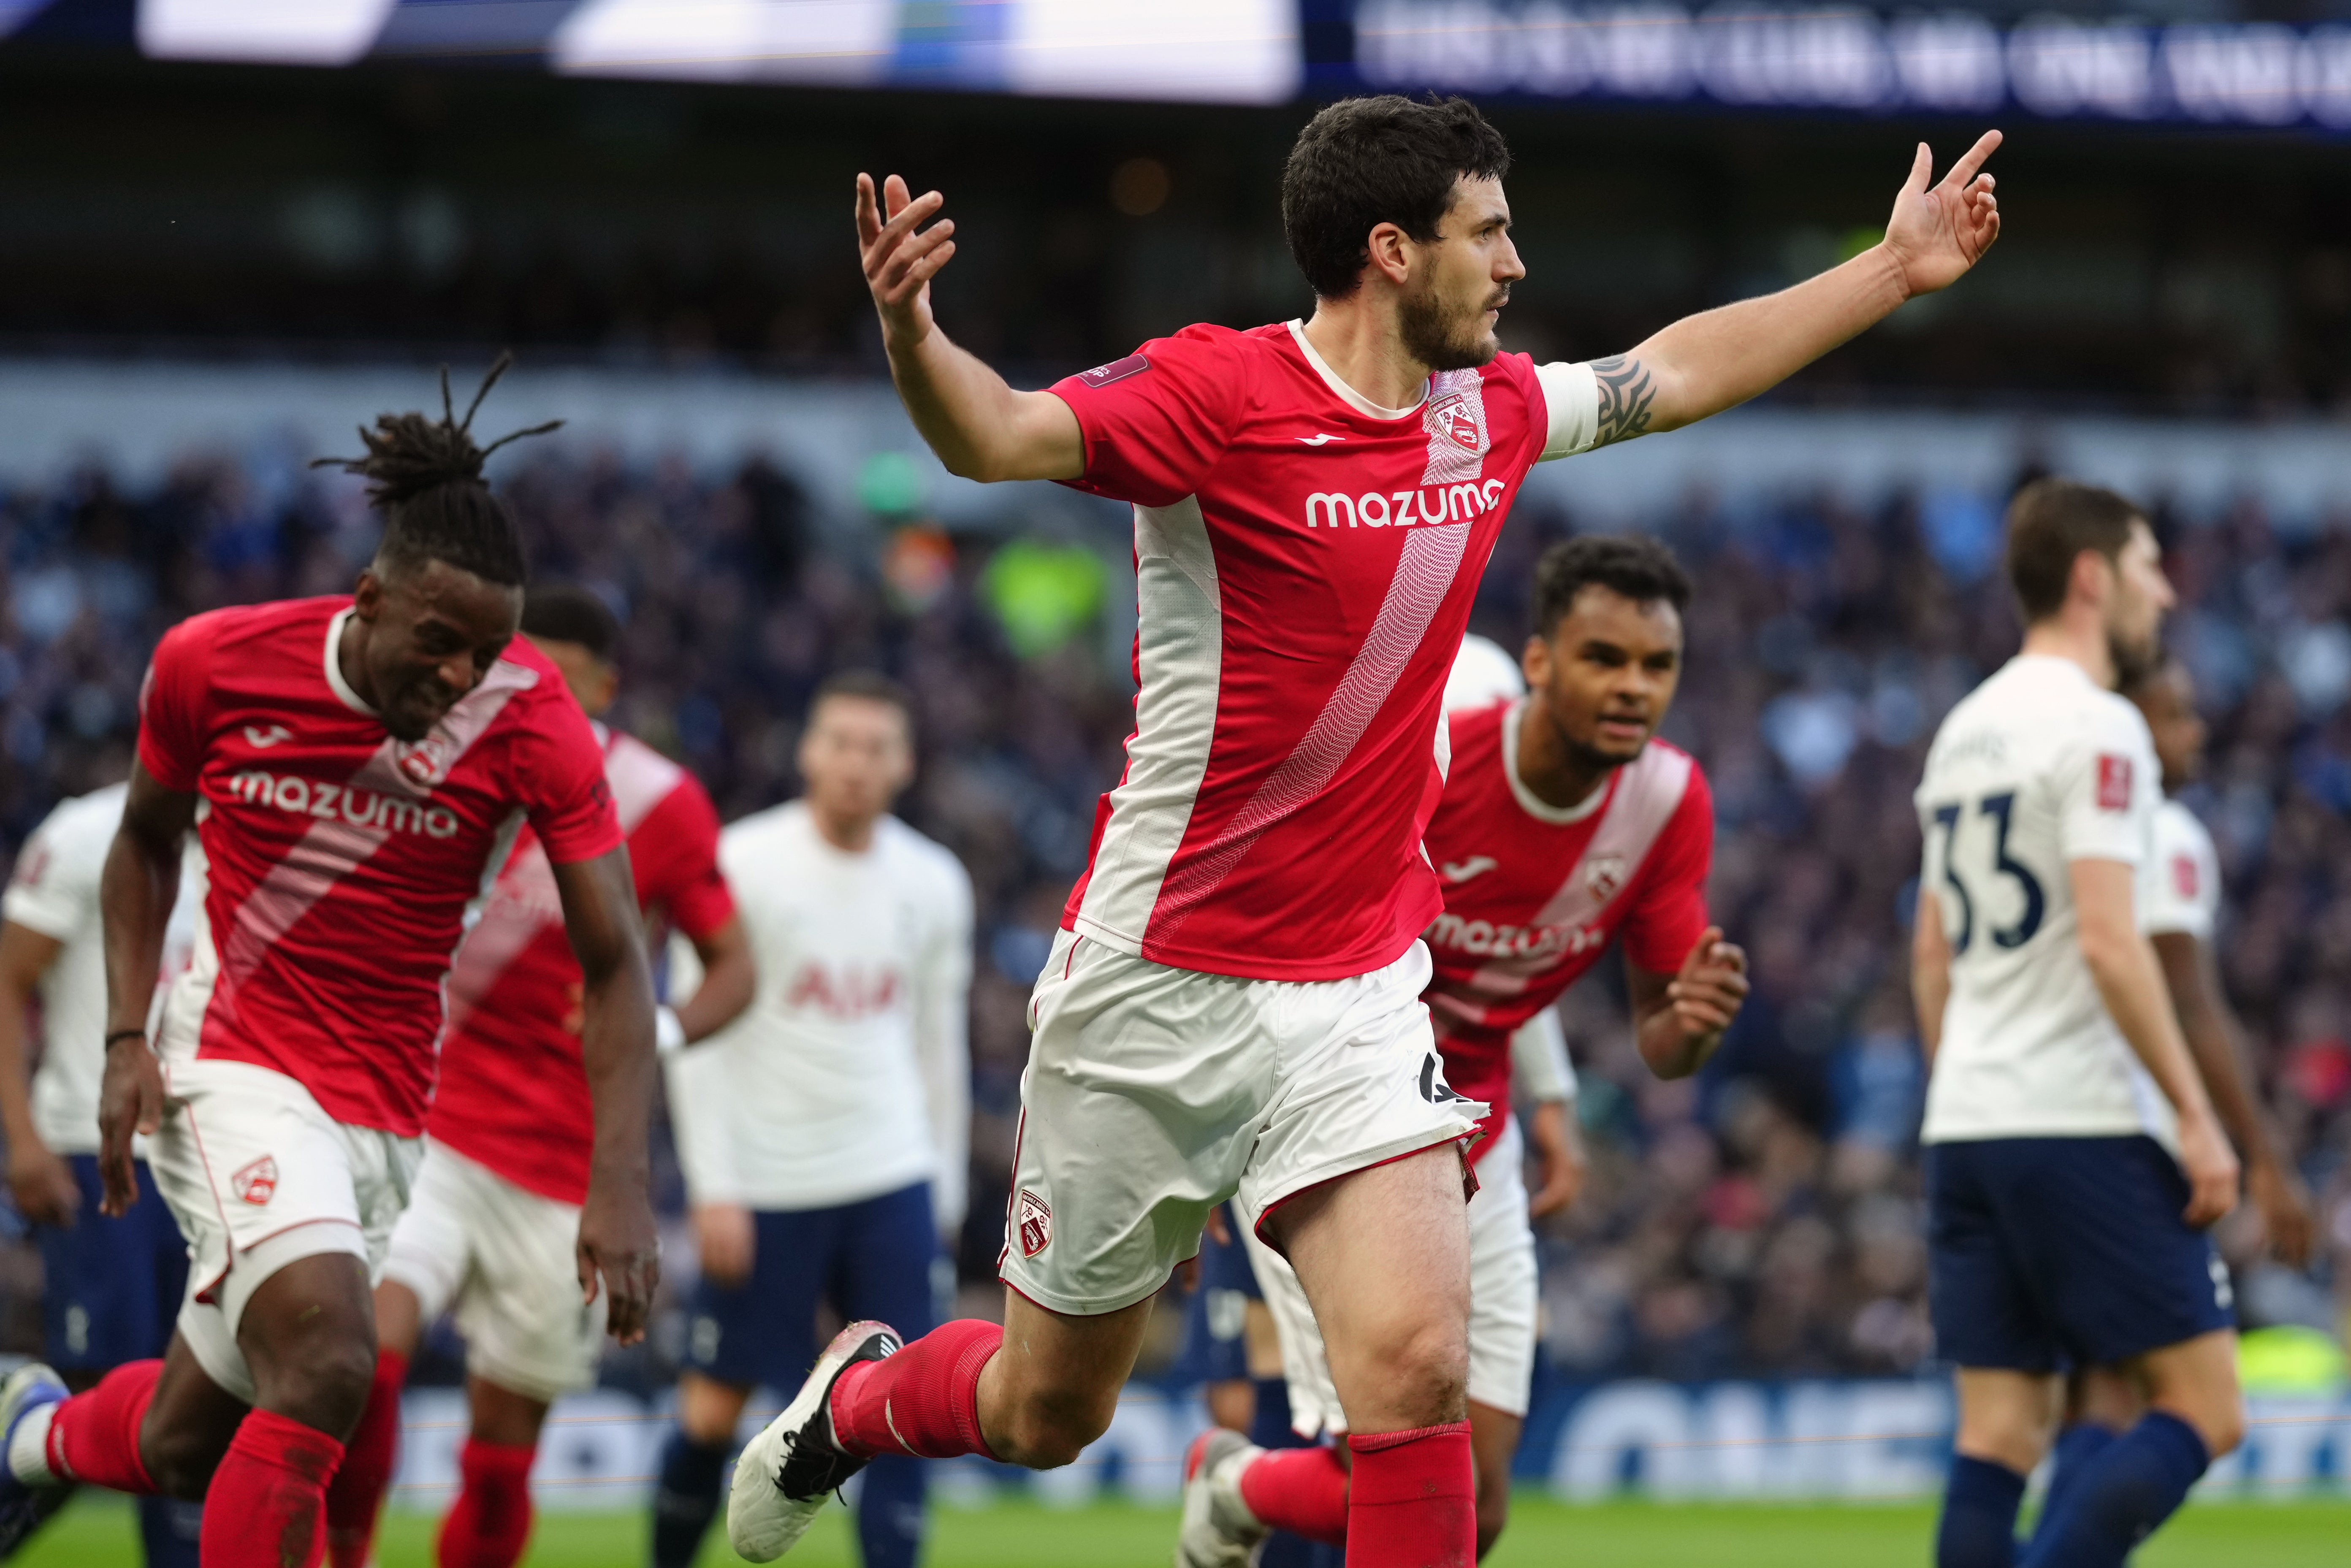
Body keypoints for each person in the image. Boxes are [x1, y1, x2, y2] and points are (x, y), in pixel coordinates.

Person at [728, 94, 2001, 1567]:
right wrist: (910, 338)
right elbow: (1000, 434)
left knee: (1414, 1379)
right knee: (1043, 1407)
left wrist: (1890, 274)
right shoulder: (1215, 395)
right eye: (1491, 231)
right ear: (1393, 251)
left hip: (1351, 988)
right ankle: (859, 1401)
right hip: (1157, 980)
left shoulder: (1491, 411)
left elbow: (1672, 372)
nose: (1517, 263)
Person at [0, 365, 663, 1568]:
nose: (463, 679)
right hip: (233, 1064)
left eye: (490, 653)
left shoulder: (532, 718)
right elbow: (144, 843)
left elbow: (614, 961)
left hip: (389, 1111)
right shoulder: (215, 662)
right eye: (441, 643)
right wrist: (120, 1037)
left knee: (192, 1438)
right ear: (368, 599)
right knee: (333, 1361)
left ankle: (28, 1436)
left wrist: (618, 1180)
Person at [1180, 536, 1744, 1565]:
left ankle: (1234, 1485)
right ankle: (1241, 1481)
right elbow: (1271, 928)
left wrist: (1693, 1024)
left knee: (1476, 1513)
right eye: (1602, 657)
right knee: (1392, 1478)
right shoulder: (1432, 766)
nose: (1632, 688)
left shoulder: (1668, 804)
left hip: (1479, 1140)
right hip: (1336, 1122)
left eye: (1655, 666)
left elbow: (1663, 1043)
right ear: (1538, 664)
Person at [323, 585, 757, 1568]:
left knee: (501, 1457)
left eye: (558, 674)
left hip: (566, 1170)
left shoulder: (659, 803)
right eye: (519, 669)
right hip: (425, 1127)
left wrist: (660, 1026)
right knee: (358, 1361)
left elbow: (736, 966)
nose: (534, 690)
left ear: (606, 685)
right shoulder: (440, 765)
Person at [1912, 478, 2243, 1568]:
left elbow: (1930, 952)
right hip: (2076, 1115)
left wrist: (1960, 1082)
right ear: (2094, 576)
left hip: (1967, 1122)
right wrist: (2195, 1117)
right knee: (2204, 1405)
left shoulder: (1964, 726)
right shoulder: (2101, 728)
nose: (2165, 589)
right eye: (2150, 564)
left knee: (1998, 1430)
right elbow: (2111, 941)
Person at [654, 672, 971, 1568]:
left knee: (913, 1409)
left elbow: (936, 1044)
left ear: (904, 763)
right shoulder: (743, 862)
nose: (856, 765)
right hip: (765, 1181)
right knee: (712, 1412)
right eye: (840, 743)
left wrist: (940, 1192)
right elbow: (694, 1033)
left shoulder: (934, 880)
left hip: (891, 1177)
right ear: (808, 751)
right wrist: (713, 1185)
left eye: (876, 748)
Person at [2031, 651, 2317, 1539]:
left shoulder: (2042, 827)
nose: (2194, 734)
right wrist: (2264, 1160)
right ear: (2126, 725)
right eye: (2175, 715)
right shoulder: (2158, 833)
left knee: (2099, 1394)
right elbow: (2192, 1003)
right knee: (2206, 1407)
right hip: (2123, 1141)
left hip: (2018, 1129)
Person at [0, 784, 205, 1565]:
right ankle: (27, 1439)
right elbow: (10, 982)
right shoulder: (87, 833)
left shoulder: (257, 843)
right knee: (104, 1381)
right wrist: (23, 1139)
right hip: (98, 1151)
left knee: (201, 1391)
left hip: (214, 1157)